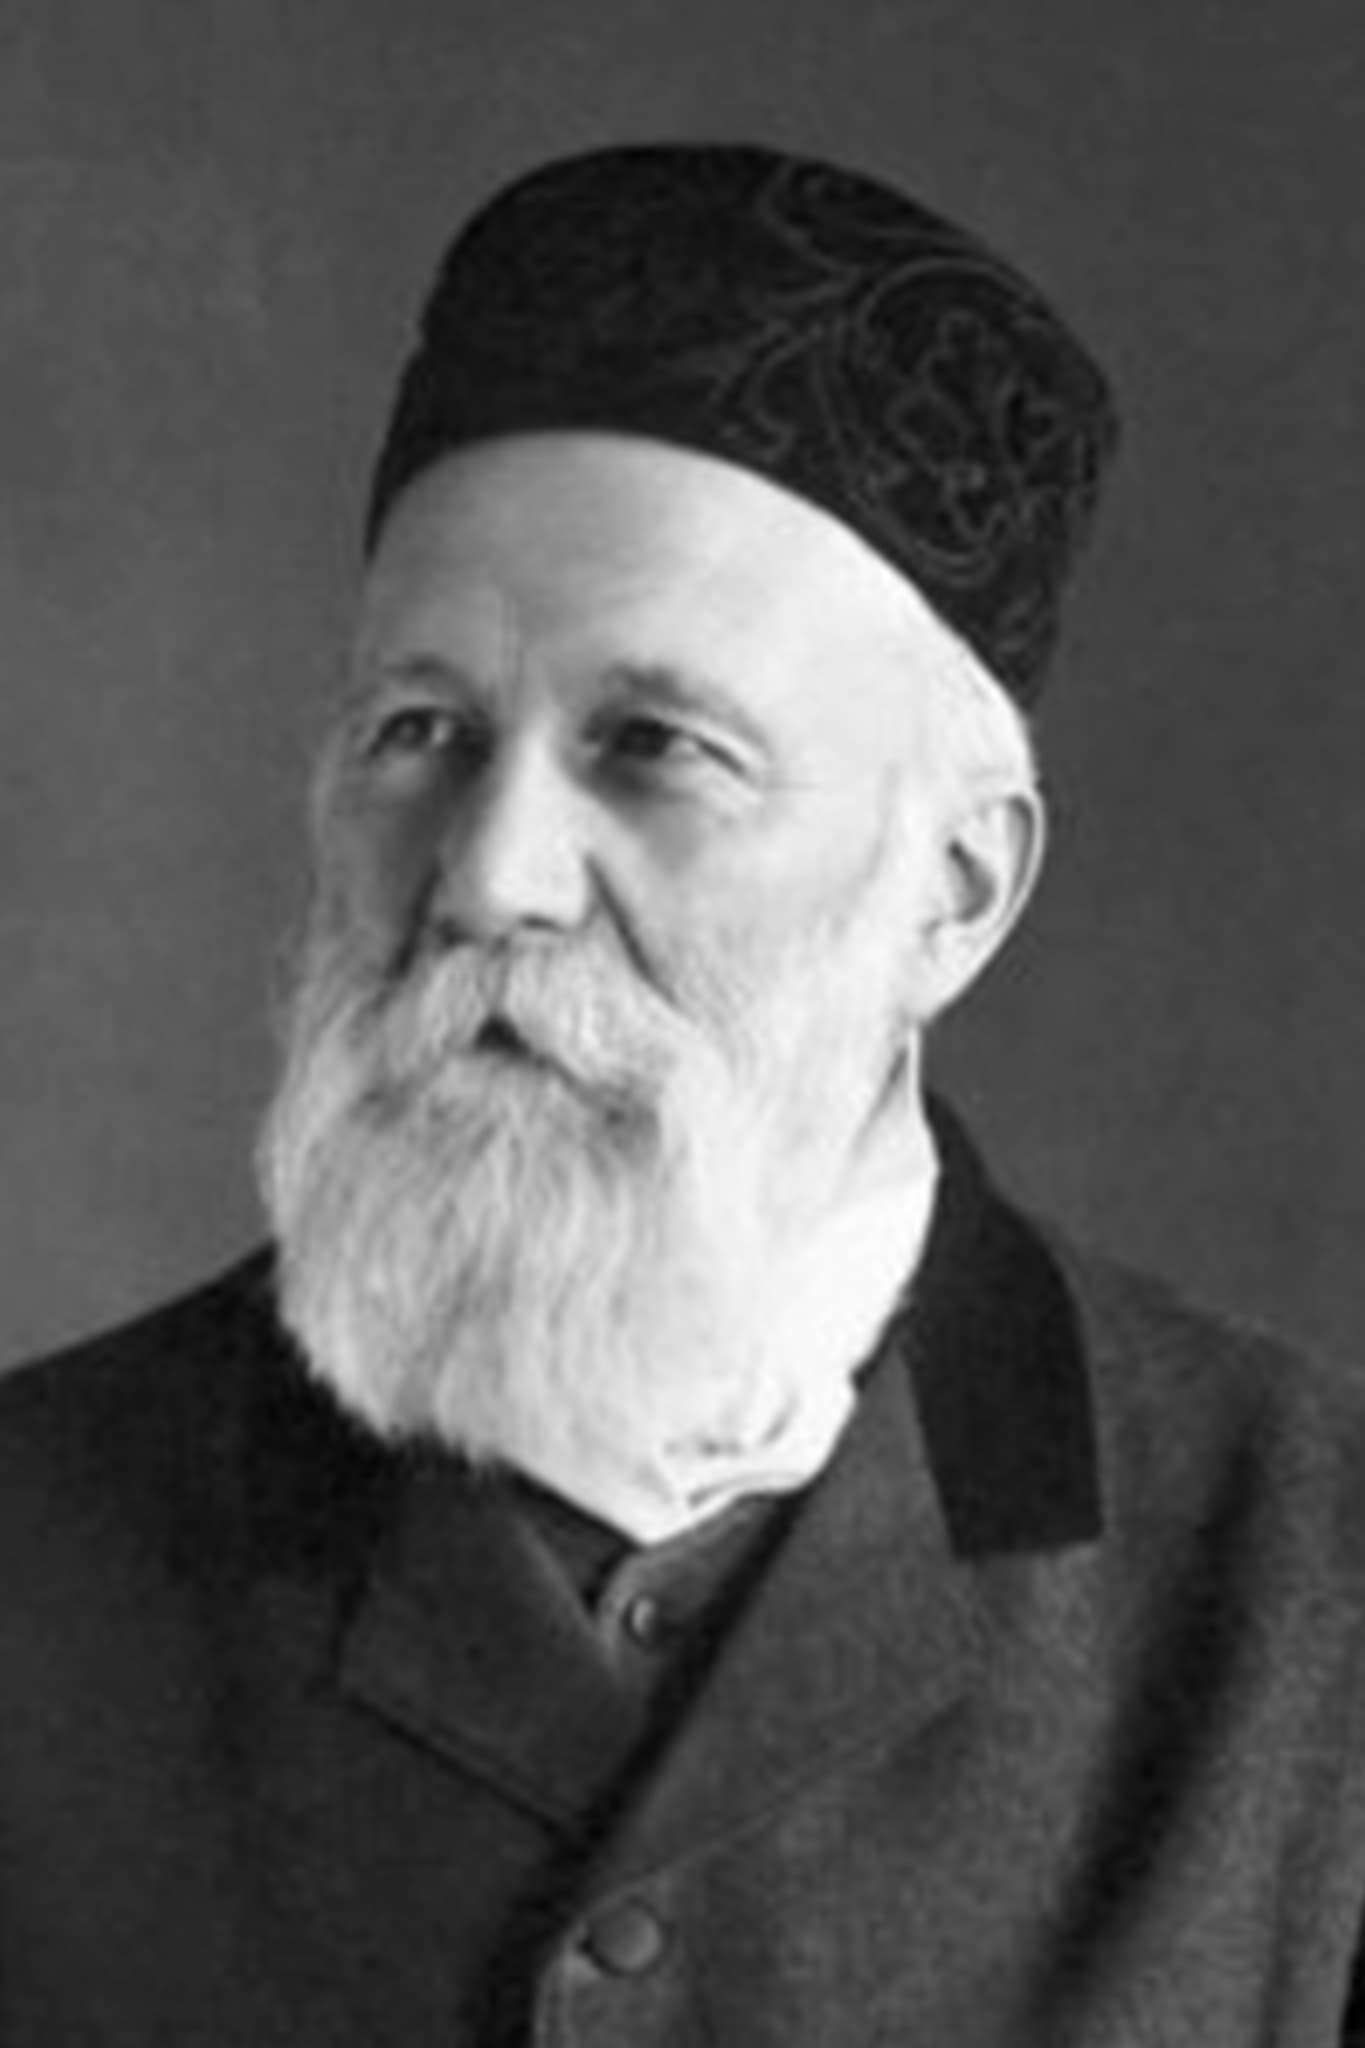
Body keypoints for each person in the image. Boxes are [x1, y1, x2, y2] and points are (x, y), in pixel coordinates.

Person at [1, 143, 1363, 2048]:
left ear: (953, 891)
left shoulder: (1316, 1591)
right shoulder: (36, 1533)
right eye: (419, 732)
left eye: (655, 747)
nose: (489, 875)